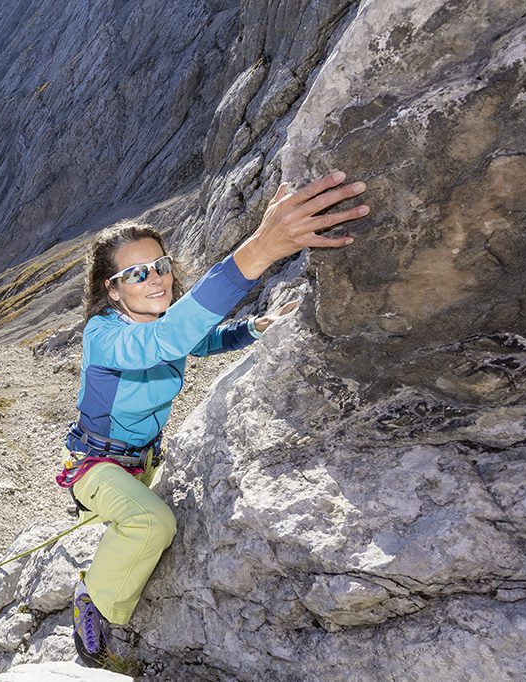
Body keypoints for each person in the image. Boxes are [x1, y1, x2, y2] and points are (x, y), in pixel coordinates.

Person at [58, 171, 370, 666]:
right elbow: (165, 344)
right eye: (135, 274)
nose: (155, 278)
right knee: (151, 525)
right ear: (111, 291)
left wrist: (253, 328)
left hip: (142, 460)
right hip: (95, 465)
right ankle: (93, 602)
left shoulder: (161, 320)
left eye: (159, 265)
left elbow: (201, 340)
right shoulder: (104, 335)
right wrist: (259, 250)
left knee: (144, 520)